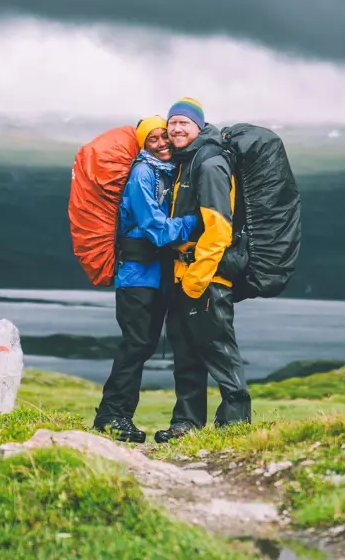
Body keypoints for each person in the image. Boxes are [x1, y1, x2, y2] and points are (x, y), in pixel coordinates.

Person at [93, 115, 198, 443]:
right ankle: (112, 417)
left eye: (164, 136)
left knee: (141, 344)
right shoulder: (142, 173)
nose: (163, 143)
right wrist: (197, 221)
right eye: (153, 140)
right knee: (136, 344)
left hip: (153, 277)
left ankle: (116, 416)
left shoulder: (166, 171)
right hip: (137, 276)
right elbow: (156, 230)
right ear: (143, 144)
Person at [155, 98, 251, 444]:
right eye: (173, 123)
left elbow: (219, 228)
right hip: (185, 276)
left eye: (184, 123)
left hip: (207, 277)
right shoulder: (186, 162)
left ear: (199, 126)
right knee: (186, 353)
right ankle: (186, 426)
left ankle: (235, 427)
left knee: (218, 351)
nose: (177, 129)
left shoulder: (209, 164)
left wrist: (198, 277)